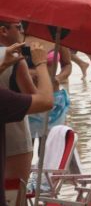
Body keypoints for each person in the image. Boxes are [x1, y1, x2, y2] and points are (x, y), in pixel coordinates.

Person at [0, 41, 54, 206]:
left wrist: (3, 66)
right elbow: (45, 101)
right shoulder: (3, 98)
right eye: (17, 26)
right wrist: (41, 63)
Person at [0, 18, 38, 183]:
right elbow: (39, 102)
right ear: (3, 30)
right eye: (19, 27)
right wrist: (42, 66)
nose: (22, 31)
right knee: (14, 195)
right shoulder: (15, 59)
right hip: (14, 136)